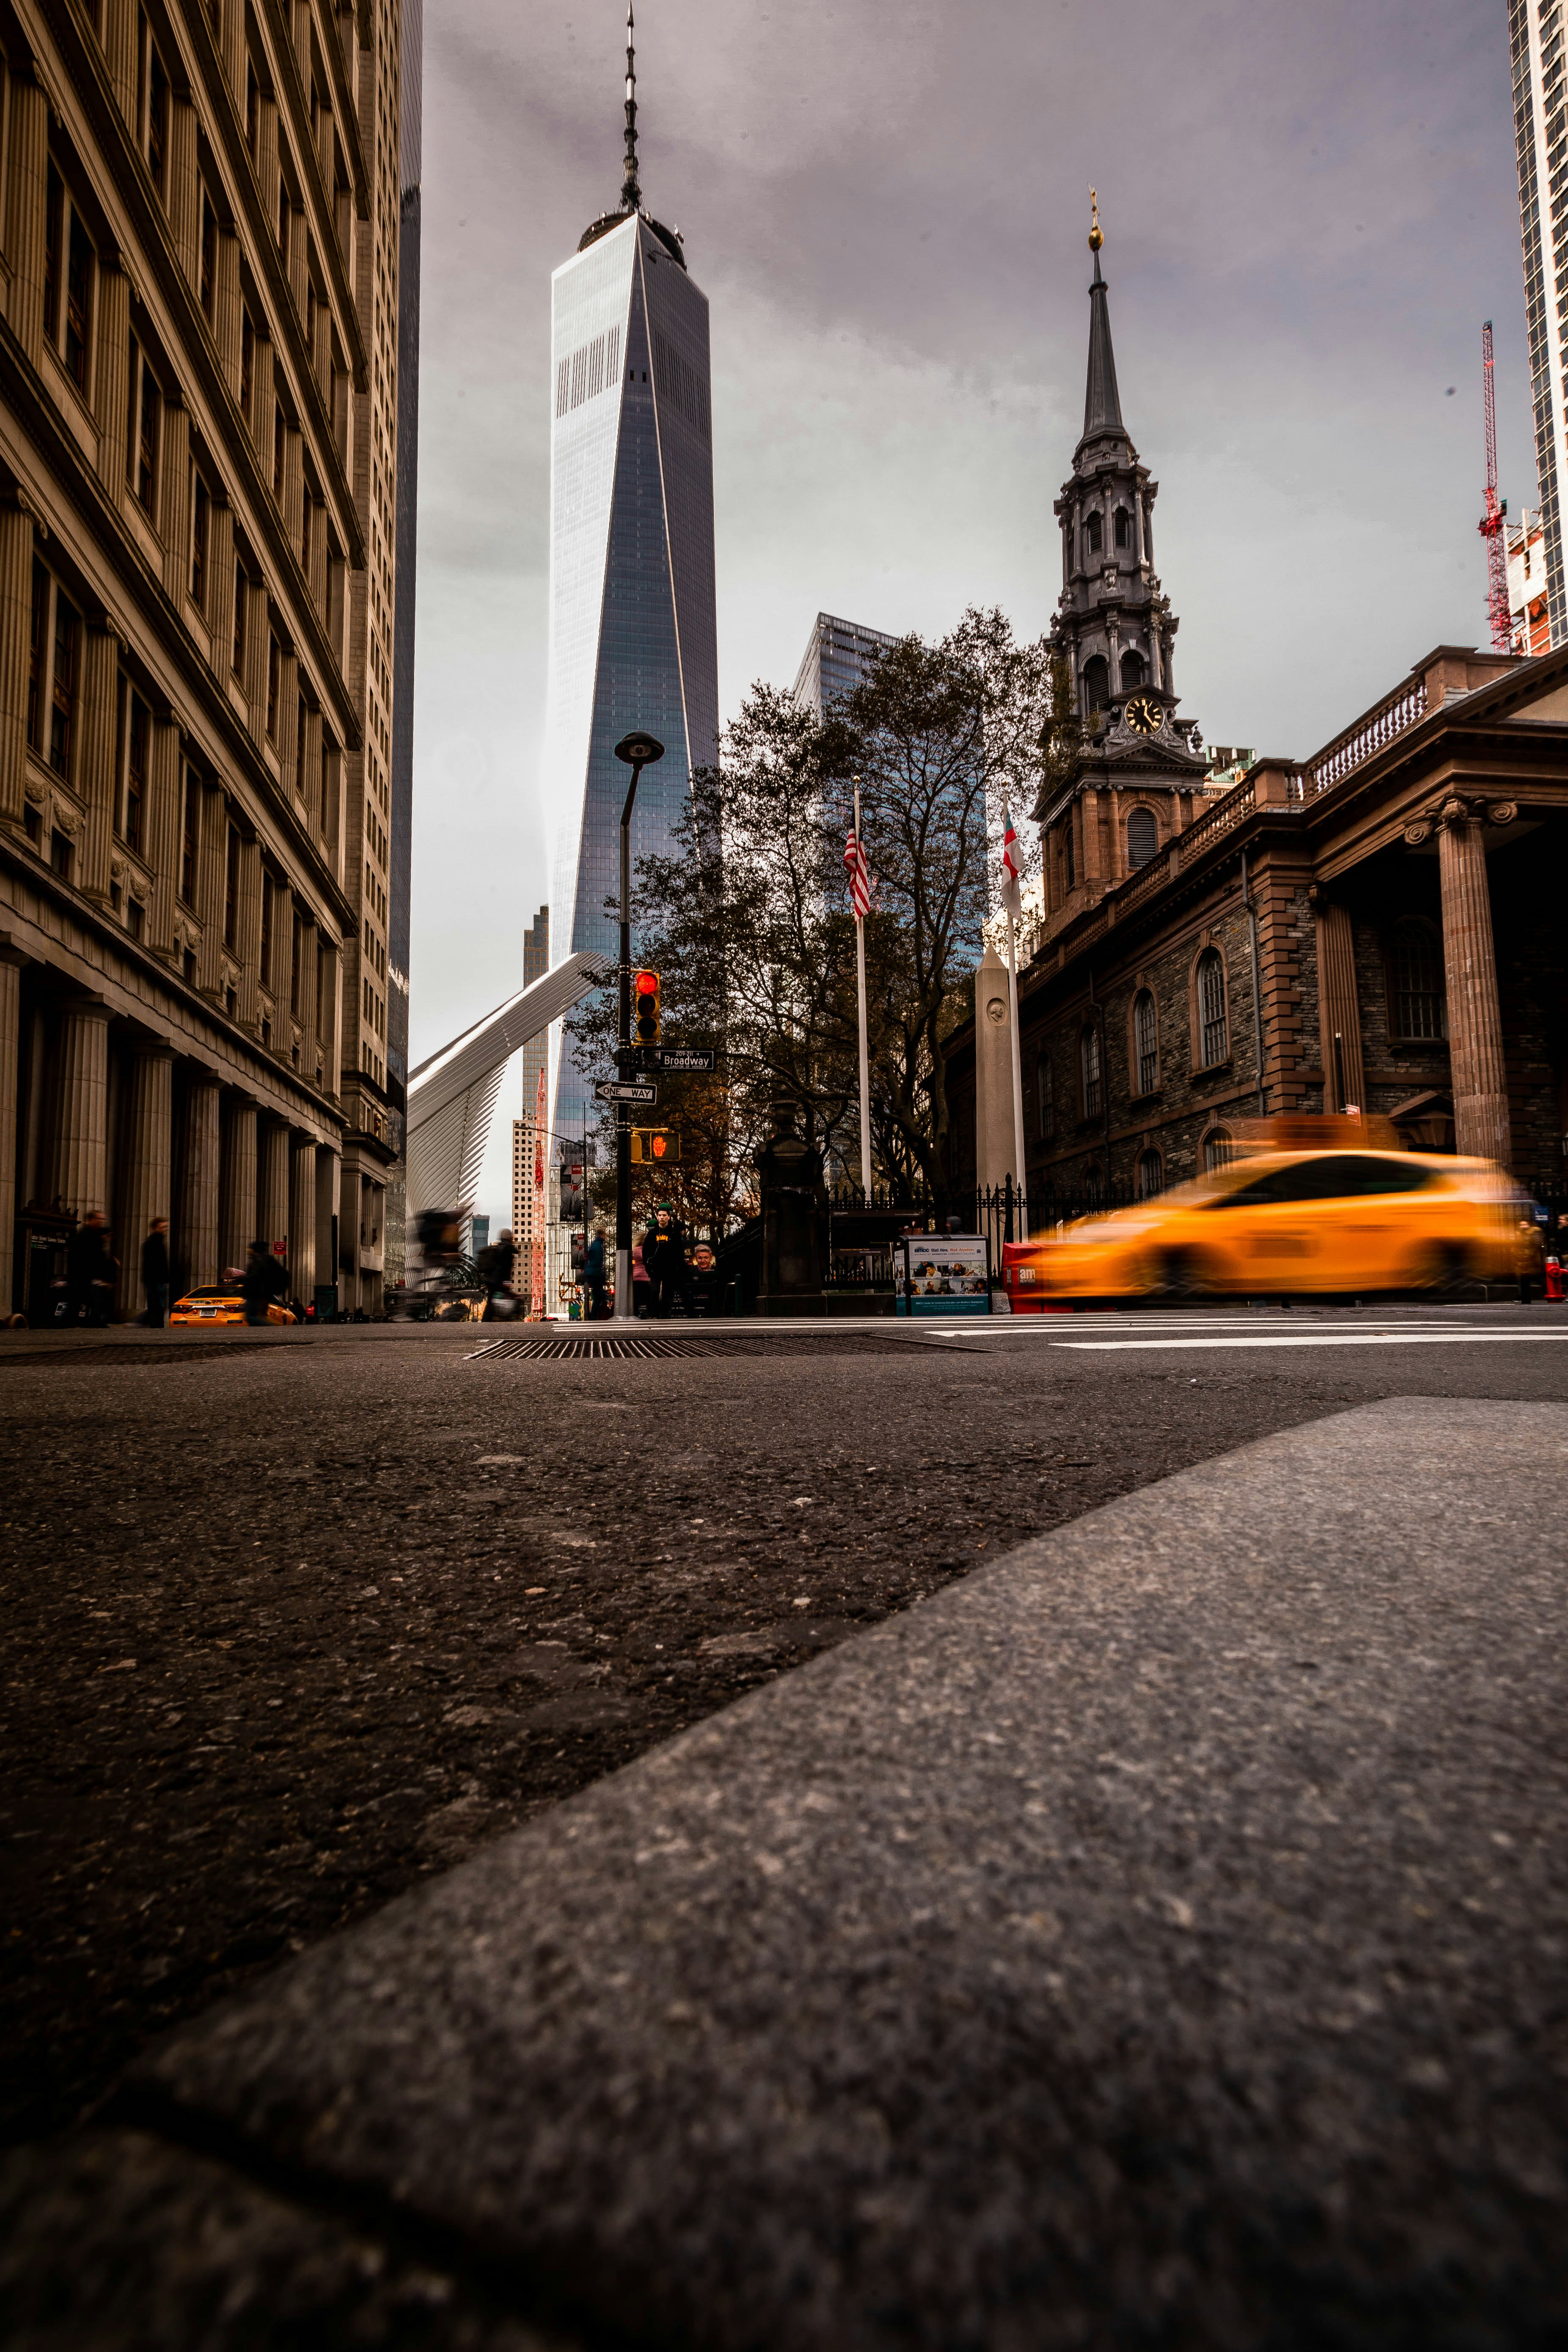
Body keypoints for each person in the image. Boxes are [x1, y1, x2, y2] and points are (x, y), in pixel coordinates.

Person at [67, 1210, 115, 1326]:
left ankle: (91, 1321)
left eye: (103, 1219)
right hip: (85, 1275)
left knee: (87, 1300)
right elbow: (92, 1259)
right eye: (100, 1219)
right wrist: (103, 1278)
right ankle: (86, 1322)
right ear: (91, 1220)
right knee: (86, 1300)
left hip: (87, 1276)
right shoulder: (86, 1235)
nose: (102, 1222)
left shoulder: (94, 1235)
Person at [641, 1204, 688, 1319]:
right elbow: (645, 1250)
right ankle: (655, 1315)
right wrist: (647, 1265)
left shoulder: (673, 1233)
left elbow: (680, 1251)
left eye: (664, 1215)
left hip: (669, 1268)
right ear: (657, 1217)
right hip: (655, 1268)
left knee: (668, 1292)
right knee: (655, 1291)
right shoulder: (652, 1234)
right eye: (660, 1215)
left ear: (669, 1217)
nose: (662, 1217)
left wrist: (677, 1266)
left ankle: (665, 1315)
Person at [477, 1228, 517, 1320]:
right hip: (498, 1281)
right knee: (495, 1302)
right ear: (510, 1238)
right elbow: (505, 1268)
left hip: (492, 1280)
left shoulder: (500, 1248)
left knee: (493, 1301)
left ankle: (489, 1320)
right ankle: (488, 1321)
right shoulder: (507, 1249)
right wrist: (507, 1283)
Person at [242, 1240, 284, 1326]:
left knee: (250, 1317)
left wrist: (240, 1279)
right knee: (252, 1317)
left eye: (250, 1248)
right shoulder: (261, 1260)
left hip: (255, 1294)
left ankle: (270, 1327)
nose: (248, 1250)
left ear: (255, 1250)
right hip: (258, 1294)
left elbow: (255, 1278)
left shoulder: (258, 1261)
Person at [141, 1217, 170, 1327]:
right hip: (154, 1280)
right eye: (162, 1227)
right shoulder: (152, 1243)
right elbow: (153, 1264)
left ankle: (156, 1326)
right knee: (157, 1305)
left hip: (158, 1280)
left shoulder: (159, 1241)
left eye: (165, 1227)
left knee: (160, 1306)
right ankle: (141, 1322)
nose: (165, 1229)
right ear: (155, 1228)